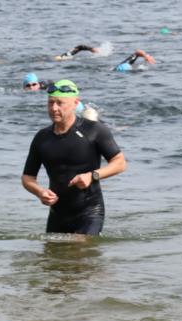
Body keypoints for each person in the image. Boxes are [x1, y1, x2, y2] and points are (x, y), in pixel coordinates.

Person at [21, 80, 127, 235]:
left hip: (89, 211)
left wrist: (92, 175)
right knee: (51, 258)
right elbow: (27, 177)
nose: (54, 108)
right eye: (50, 103)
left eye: (60, 103)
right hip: (57, 214)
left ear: (75, 103)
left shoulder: (94, 130)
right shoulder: (42, 137)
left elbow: (120, 163)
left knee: (80, 253)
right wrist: (39, 192)